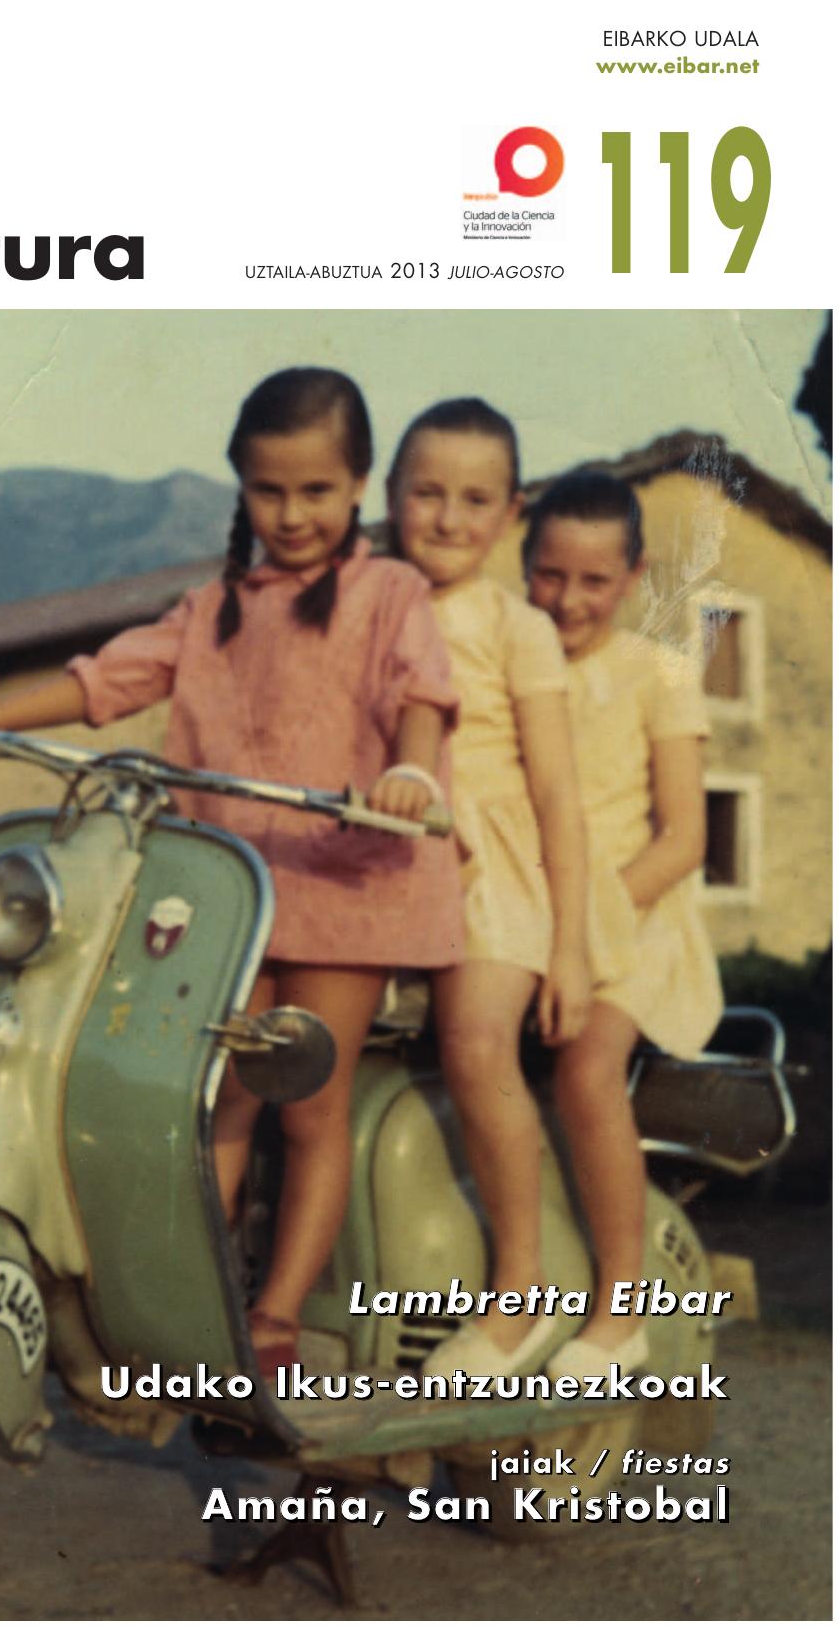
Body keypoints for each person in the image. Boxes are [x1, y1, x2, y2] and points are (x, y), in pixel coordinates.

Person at [0, 367, 463, 1379]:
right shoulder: (211, 608)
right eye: (268, 490)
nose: (291, 514)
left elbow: (418, 691)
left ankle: (277, 1317)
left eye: (316, 491)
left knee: (309, 1101)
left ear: (357, 486)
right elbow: (105, 680)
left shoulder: (390, 595)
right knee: (215, 1095)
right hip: (232, 896)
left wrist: (412, 772)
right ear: (240, 486)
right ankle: (186, 1296)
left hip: (344, 887)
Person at [387, 397, 591, 1377]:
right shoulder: (366, 604)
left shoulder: (518, 627)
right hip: (384, 868)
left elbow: (555, 791)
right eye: (426, 492)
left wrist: (569, 946)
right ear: (389, 494)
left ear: (511, 514)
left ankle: (522, 1292)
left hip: (492, 875)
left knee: (475, 1045)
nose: (447, 517)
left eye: (475, 500)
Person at [523, 470, 723, 1376]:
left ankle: (619, 1308)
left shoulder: (660, 673)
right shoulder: (512, 665)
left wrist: (582, 924)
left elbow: (683, 839)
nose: (568, 600)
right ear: (524, 563)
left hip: (633, 923)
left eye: (593, 581)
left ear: (634, 577)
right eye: (549, 574)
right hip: (531, 915)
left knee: (585, 1064)